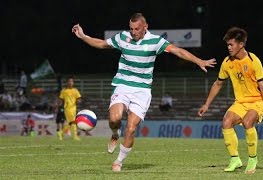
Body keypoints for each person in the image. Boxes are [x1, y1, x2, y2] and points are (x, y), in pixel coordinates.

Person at [72, 13, 216, 172]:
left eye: (137, 29)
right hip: (123, 84)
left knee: (132, 128)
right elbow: (101, 44)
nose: (133, 32)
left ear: (145, 27)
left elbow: (178, 51)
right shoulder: (123, 37)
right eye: (131, 28)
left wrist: (199, 61)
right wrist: (83, 36)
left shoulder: (155, 41)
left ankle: (118, 162)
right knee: (114, 119)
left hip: (142, 90)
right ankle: (115, 133)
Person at [198, 27, 263, 174]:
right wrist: (206, 104)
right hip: (240, 102)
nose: (229, 48)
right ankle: (235, 159)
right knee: (226, 122)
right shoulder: (227, 62)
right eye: (228, 45)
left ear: (241, 44)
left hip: (256, 102)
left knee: (248, 122)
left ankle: (252, 158)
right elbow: (218, 83)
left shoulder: (253, 61)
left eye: (231, 45)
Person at [58, 76, 81, 141]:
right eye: (69, 81)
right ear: (67, 82)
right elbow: (61, 99)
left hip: (74, 108)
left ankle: (61, 133)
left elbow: (78, 99)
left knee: (71, 123)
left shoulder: (75, 90)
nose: (71, 83)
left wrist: (78, 101)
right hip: (67, 108)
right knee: (73, 122)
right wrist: (58, 107)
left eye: (72, 81)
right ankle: (74, 136)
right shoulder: (64, 90)